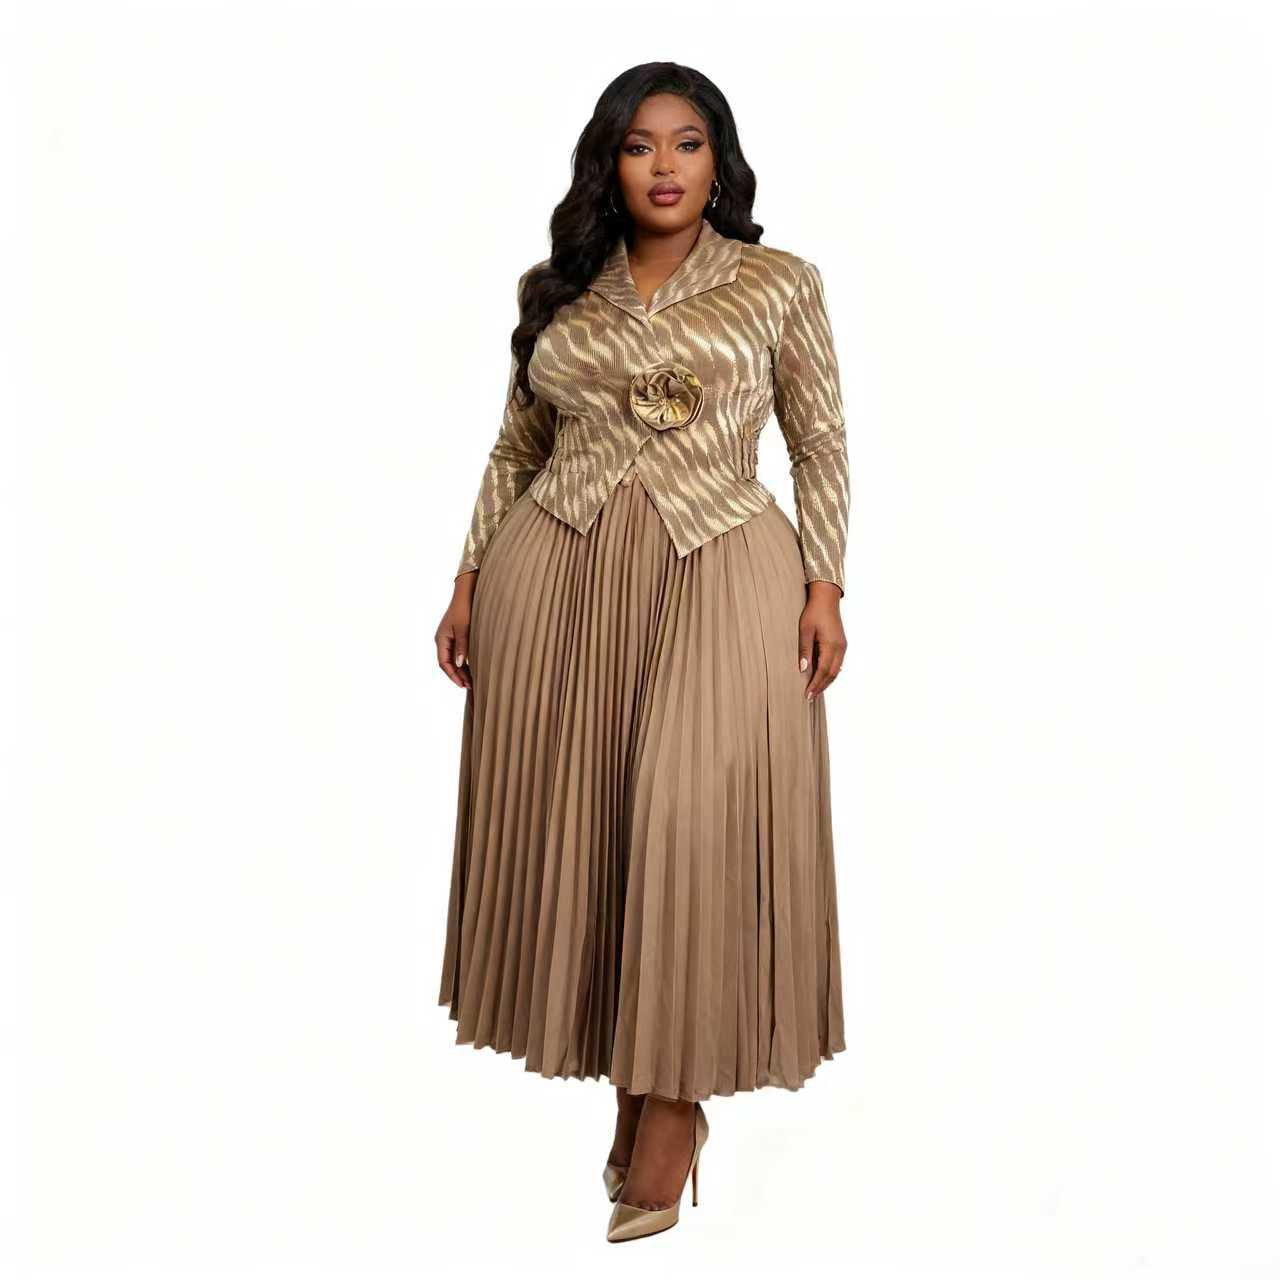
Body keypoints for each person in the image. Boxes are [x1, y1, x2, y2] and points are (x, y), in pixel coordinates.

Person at [433, 61, 850, 1243]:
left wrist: (824, 584)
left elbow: (819, 441)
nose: (662, 166)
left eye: (685, 143)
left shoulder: (777, 283)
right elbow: (515, 447)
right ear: (606, 165)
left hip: (719, 563)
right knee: (601, 825)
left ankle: (671, 1106)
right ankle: (635, 1074)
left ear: (719, 162)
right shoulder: (562, 286)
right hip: (558, 574)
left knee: (689, 817)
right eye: (637, 145)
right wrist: (468, 577)